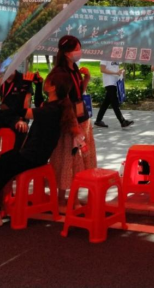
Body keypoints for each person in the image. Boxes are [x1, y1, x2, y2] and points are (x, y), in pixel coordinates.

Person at [0, 70, 74, 230]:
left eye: (48, 80)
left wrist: (25, 85)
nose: (45, 80)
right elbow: (39, 103)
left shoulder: (53, 110)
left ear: (53, 87)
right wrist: (38, 86)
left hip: (31, 157)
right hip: (28, 154)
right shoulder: (54, 106)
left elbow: (20, 111)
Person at [48, 35, 97, 203]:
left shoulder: (75, 69)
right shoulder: (60, 73)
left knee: (80, 159)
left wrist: (86, 79)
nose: (79, 52)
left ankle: (71, 198)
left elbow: (78, 94)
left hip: (82, 118)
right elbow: (63, 102)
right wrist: (73, 126)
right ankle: (63, 198)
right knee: (69, 158)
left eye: (79, 48)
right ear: (67, 52)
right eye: (76, 49)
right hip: (70, 121)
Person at [0, 67, 43, 150]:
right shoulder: (1, 81)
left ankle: (16, 154)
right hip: (5, 114)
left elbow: (27, 103)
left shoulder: (23, 79)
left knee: (21, 128)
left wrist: (21, 119)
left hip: (19, 115)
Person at [94, 60, 133, 128]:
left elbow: (116, 68)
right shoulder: (105, 57)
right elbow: (102, 69)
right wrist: (115, 73)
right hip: (109, 82)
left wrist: (120, 72)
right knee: (114, 102)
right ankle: (122, 121)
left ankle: (98, 120)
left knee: (106, 102)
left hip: (115, 82)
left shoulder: (116, 56)